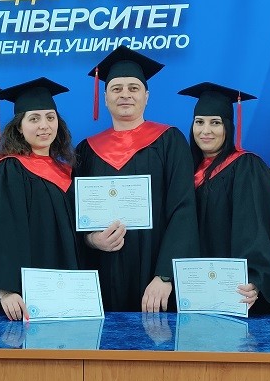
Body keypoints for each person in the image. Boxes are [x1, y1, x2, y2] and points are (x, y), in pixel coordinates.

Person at [74, 46, 199, 313]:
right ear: (105, 98)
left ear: (146, 96)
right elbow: (74, 214)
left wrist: (165, 275)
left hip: (155, 277)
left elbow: (183, 210)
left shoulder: (169, 141)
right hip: (102, 271)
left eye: (133, 88)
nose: (125, 94)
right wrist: (91, 239)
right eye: (116, 88)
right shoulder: (87, 150)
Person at [178, 82, 270, 312]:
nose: (205, 130)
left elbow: (255, 227)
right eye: (199, 122)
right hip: (191, 288)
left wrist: (254, 278)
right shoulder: (185, 170)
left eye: (215, 122)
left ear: (228, 126)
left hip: (234, 291)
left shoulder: (246, 166)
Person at [0, 78, 81, 321]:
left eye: (50, 117)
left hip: (68, 285)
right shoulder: (11, 169)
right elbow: (3, 229)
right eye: (34, 119)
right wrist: (7, 289)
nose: (44, 125)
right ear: (19, 128)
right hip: (28, 293)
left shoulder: (66, 171)